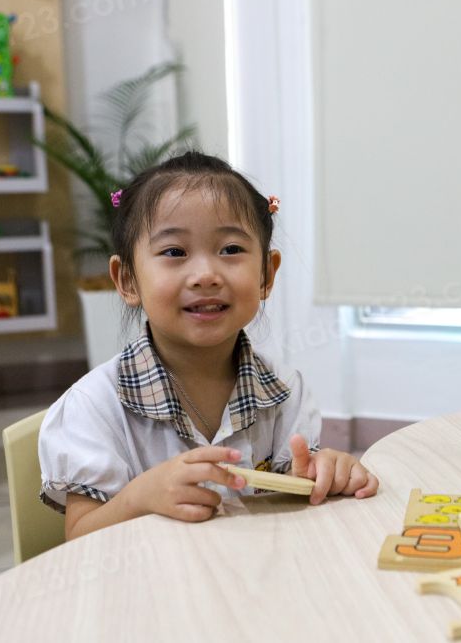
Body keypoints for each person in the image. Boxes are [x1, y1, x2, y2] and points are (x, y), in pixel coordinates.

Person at [39, 151, 378, 539]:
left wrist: (323, 474)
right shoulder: (93, 407)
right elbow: (80, 537)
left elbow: (293, 509)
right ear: (127, 280)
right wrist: (139, 498)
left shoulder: (285, 393)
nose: (205, 275)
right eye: (174, 252)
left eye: (231, 249)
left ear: (267, 274)